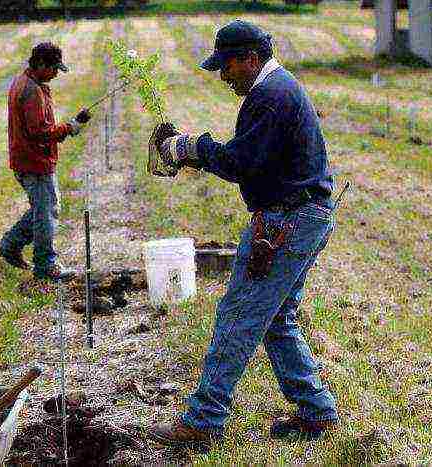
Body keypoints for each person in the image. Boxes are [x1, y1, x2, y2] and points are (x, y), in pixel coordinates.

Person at [147, 20, 339, 446]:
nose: (223, 75)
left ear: (250, 58)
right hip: (306, 216)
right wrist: (194, 148)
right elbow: (252, 160)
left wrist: (188, 148)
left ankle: (202, 421)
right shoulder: (278, 88)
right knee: (276, 320)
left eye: (227, 66)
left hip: (287, 222)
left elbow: (240, 163)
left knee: (238, 317)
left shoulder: (269, 98)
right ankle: (318, 411)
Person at [0, 42, 91, 282]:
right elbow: (40, 132)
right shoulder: (32, 91)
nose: (56, 74)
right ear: (40, 64)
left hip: (26, 158)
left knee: (43, 209)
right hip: (34, 161)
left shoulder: (25, 82)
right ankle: (45, 265)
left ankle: (9, 245)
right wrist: (71, 127)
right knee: (47, 211)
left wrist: (70, 124)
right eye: (54, 68)